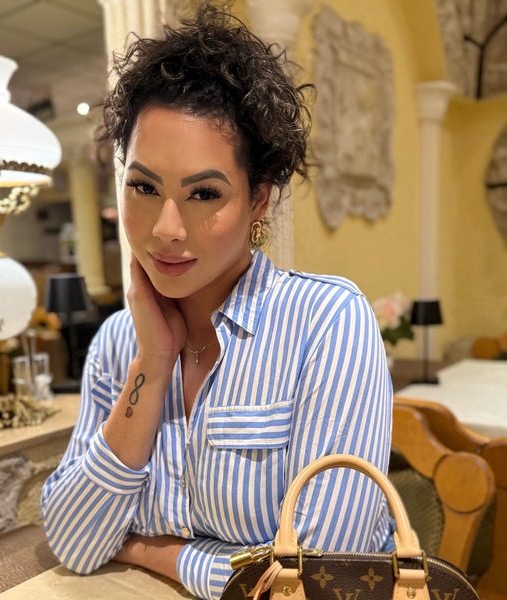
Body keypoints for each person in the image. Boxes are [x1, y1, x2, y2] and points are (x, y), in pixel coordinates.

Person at [41, 4, 393, 599]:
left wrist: (153, 550)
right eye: (143, 186)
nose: (166, 229)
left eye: (204, 193)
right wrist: (154, 361)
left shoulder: (327, 322)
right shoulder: (117, 344)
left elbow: (317, 577)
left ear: (258, 200)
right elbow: (74, 542)